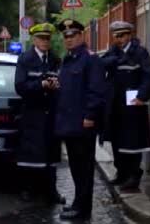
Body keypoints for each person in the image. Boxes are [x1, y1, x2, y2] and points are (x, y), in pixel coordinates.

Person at [55, 19, 106, 220]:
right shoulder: (68, 59)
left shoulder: (90, 59)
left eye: (72, 35)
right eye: (65, 36)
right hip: (69, 123)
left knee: (84, 169)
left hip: (83, 123)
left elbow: (96, 91)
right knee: (76, 167)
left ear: (81, 35)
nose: (68, 39)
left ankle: (83, 209)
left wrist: (90, 116)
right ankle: (78, 203)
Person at [101, 21, 150, 192]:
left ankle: (134, 175)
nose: (120, 39)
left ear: (130, 35)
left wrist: (142, 96)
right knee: (117, 140)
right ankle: (122, 172)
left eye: (123, 35)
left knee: (132, 141)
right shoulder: (113, 52)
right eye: (116, 36)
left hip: (133, 103)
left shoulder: (139, 53)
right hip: (115, 103)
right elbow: (100, 64)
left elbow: (149, 76)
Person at [14, 23, 65, 204]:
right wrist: (40, 85)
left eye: (47, 38)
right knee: (30, 154)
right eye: (41, 38)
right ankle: (27, 189)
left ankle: (51, 191)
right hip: (32, 114)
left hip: (50, 114)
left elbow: (61, 82)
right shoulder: (25, 59)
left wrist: (57, 86)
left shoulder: (55, 59)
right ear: (34, 40)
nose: (45, 41)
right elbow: (20, 86)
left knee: (51, 155)